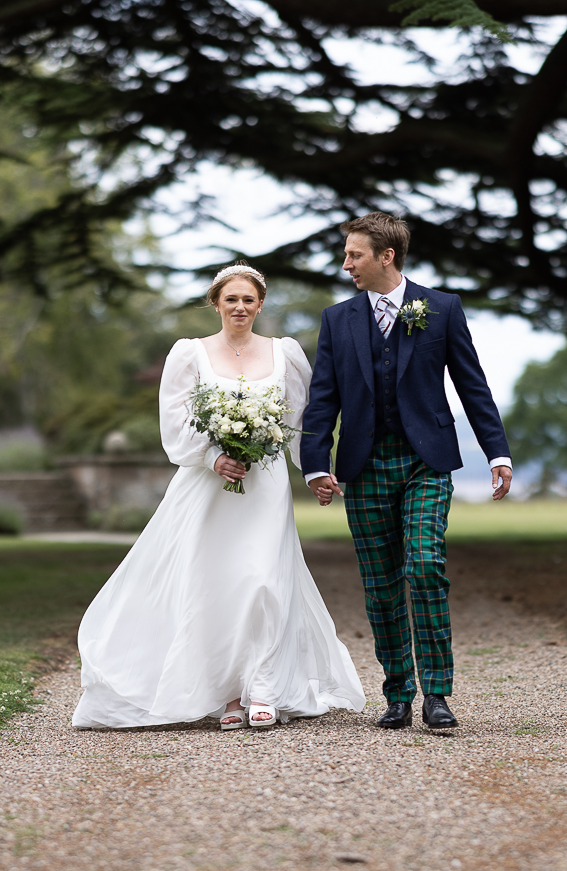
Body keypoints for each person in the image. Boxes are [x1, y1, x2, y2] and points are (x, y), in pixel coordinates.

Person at [72, 263, 366, 730]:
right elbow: (176, 426)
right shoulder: (190, 354)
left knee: (264, 580)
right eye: (231, 299)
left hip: (264, 485)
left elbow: (301, 422)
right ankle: (228, 694)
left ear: (260, 304)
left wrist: (313, 472)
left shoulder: (285, 354)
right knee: (214, 586)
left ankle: (264, 686)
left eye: (249, 300)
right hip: (209, 489)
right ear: (215, 303)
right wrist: (214, 458)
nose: (241, 308)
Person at [301, 212, 512, 730]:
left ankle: (438, 695)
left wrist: (498, 452)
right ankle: (398, 693)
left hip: (427, 460)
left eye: (354, 254)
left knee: (423, 564)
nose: (345, 263)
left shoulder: (441, 308)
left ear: (386, 256)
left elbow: (472, 384)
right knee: (380, 584)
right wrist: (314, 466)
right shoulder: (338, 318)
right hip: (364, 465)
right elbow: (323, 397)